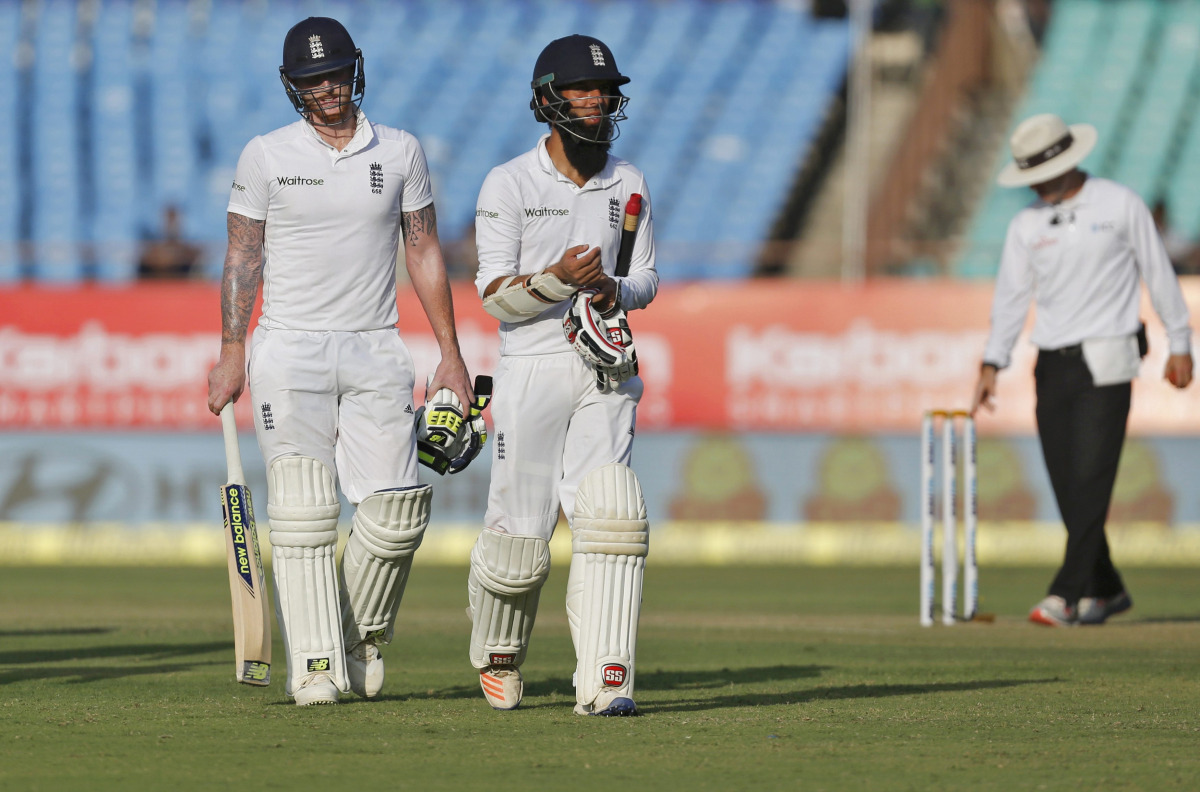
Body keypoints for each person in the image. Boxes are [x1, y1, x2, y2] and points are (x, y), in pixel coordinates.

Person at [205, 17, 472, 705]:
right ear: (293, 87)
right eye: (311, 80)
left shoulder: (403, 150)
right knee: (301, 509)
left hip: (376, 343)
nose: (327, 89)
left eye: (335, 74)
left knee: (398, 511)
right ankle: (317, 667)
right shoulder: (265, 154)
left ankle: (358, 634)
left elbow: (424, 251)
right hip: (288, 346)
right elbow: (242, 254)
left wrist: (450, 352)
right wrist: (232, 350)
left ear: (356, 69)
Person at [467, 34, 658, 716]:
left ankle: (607, 679)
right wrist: (556, 281)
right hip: (532, 364)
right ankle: (498, 652)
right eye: (582, 90)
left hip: (605, 366)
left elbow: (646, 278)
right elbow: (492, 295)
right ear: (548, 99)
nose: (598, 100)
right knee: (521, 533)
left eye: (605, 90)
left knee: (610, 514)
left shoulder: (627, 182)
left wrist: (612, 293)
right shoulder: (509, 182)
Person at [972, 113, 1194, 627]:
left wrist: (1179, 342)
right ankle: (1108, 589)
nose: (1038, 188)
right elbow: (1010, 298)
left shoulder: (1119, 204)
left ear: (1069, 165)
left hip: (1109, 357)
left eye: (1044, 176)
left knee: (1093, 478)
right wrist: (992, 360)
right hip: (1051, 363)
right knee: (1068, 484)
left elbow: (1159, 274)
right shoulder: (1026, 224)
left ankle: (1065, 594)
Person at [137, 205, 202, 279]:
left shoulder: (190, 252)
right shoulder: (150, 252)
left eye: (174, 220)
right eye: (168, 219)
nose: (171, 224)